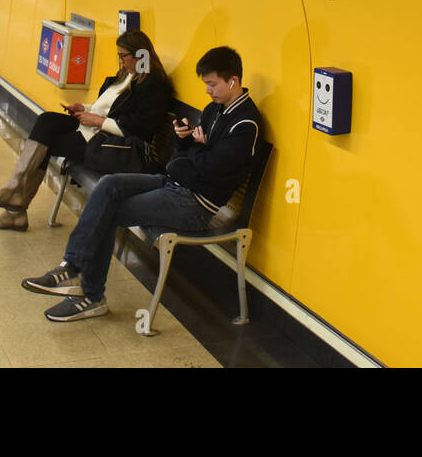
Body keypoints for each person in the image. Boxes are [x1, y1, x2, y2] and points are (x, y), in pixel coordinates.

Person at [22, 46, 259, 322]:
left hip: (195, 204)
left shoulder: (245, 125)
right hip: (174, 183)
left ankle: (91, 295)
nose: (208, 91)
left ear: (233, 81)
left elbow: (211, 170)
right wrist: (185, 139)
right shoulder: (213, 110)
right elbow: (181, 157)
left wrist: (195, 152)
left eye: (212, 84)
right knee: (108, 186)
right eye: (206, 84)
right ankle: (70, 265)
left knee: (109, 211)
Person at [0, 30, 173, 231]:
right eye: (119, 56)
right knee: (46, 121)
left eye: (123, 56)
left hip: (109, 142)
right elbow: (108, 106)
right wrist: (85, 109)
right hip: (93, 130)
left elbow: (140, 129)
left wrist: (97, 120)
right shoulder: (125, 76)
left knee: (45, 143)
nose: (121, 61)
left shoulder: (153, 85)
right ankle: (14, 194)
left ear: (140, 54)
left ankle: (15, 207)